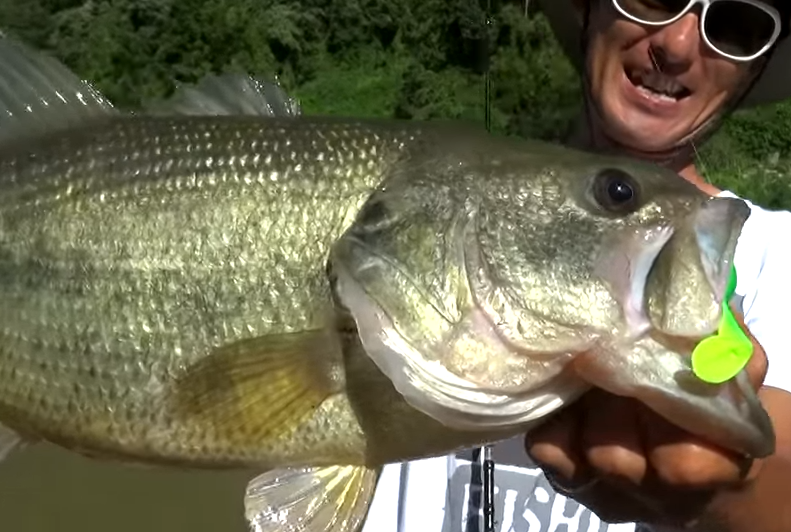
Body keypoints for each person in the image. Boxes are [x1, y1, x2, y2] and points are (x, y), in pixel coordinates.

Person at [360, 1, 791, 532]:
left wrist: (732, 488)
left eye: (735, 25)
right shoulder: (431, 194)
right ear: (589, 9)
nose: (677, 46)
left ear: (754, 69)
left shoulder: (779, 256)